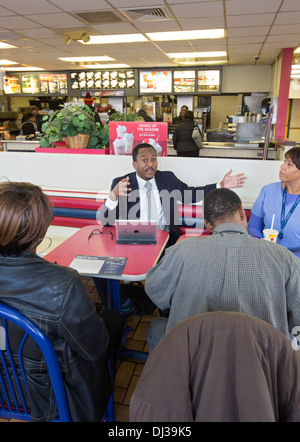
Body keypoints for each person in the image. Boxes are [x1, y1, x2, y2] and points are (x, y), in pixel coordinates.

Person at [0, 181, 123, 422]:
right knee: (114, 319)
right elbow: (94, 349)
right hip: (53, 397)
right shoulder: (62, 284)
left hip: (7, 388)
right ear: (41, 229)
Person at [145, 188, 300, 352]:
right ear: (242, 212)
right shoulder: (284, 258)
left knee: (156, 326)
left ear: (208, 224)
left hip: (190, 361)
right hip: (263, 365)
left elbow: (154, 290)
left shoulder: (181, 250)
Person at [130, 312, 300, 422]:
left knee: (158, 327)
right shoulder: (286, 261)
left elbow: (156, 291)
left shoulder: (180, 255)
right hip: (271, 351)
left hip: (184, 343)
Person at [100, 143, 246, 246]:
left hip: (165, 241)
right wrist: (113, 195)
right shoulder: (122, 183)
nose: (150, 164)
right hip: (133, 241)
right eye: (144, 160)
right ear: (134, 164)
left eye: (153, 159)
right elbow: (106, 222)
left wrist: (220, 185)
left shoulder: (168, 179)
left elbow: (191, 195)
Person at [248, 147, 300, 258]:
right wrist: (261, 246)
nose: (282, 166)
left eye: (289, 164)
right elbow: (253, 226)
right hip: (267, 255)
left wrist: (292, 258)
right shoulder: (268, 191)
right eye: (284, 161)